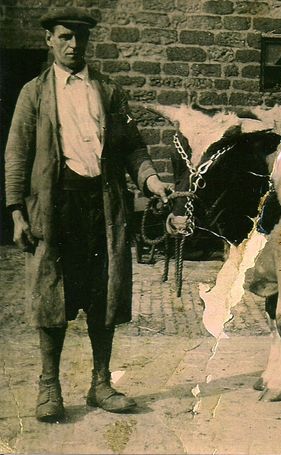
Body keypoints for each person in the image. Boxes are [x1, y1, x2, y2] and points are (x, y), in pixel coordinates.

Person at [4, 7, 170, 422]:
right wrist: (16, 211)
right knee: (51, 297)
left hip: (102, 207)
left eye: (80, 38)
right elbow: (17, 154)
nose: (73, 45)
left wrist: (151, 181)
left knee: (104, 295)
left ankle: (101, 384)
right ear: (49, 40)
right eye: (65, 37)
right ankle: (49, 387)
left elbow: (132, 146)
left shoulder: (108, 90)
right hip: (55, 209)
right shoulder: (33, 93)